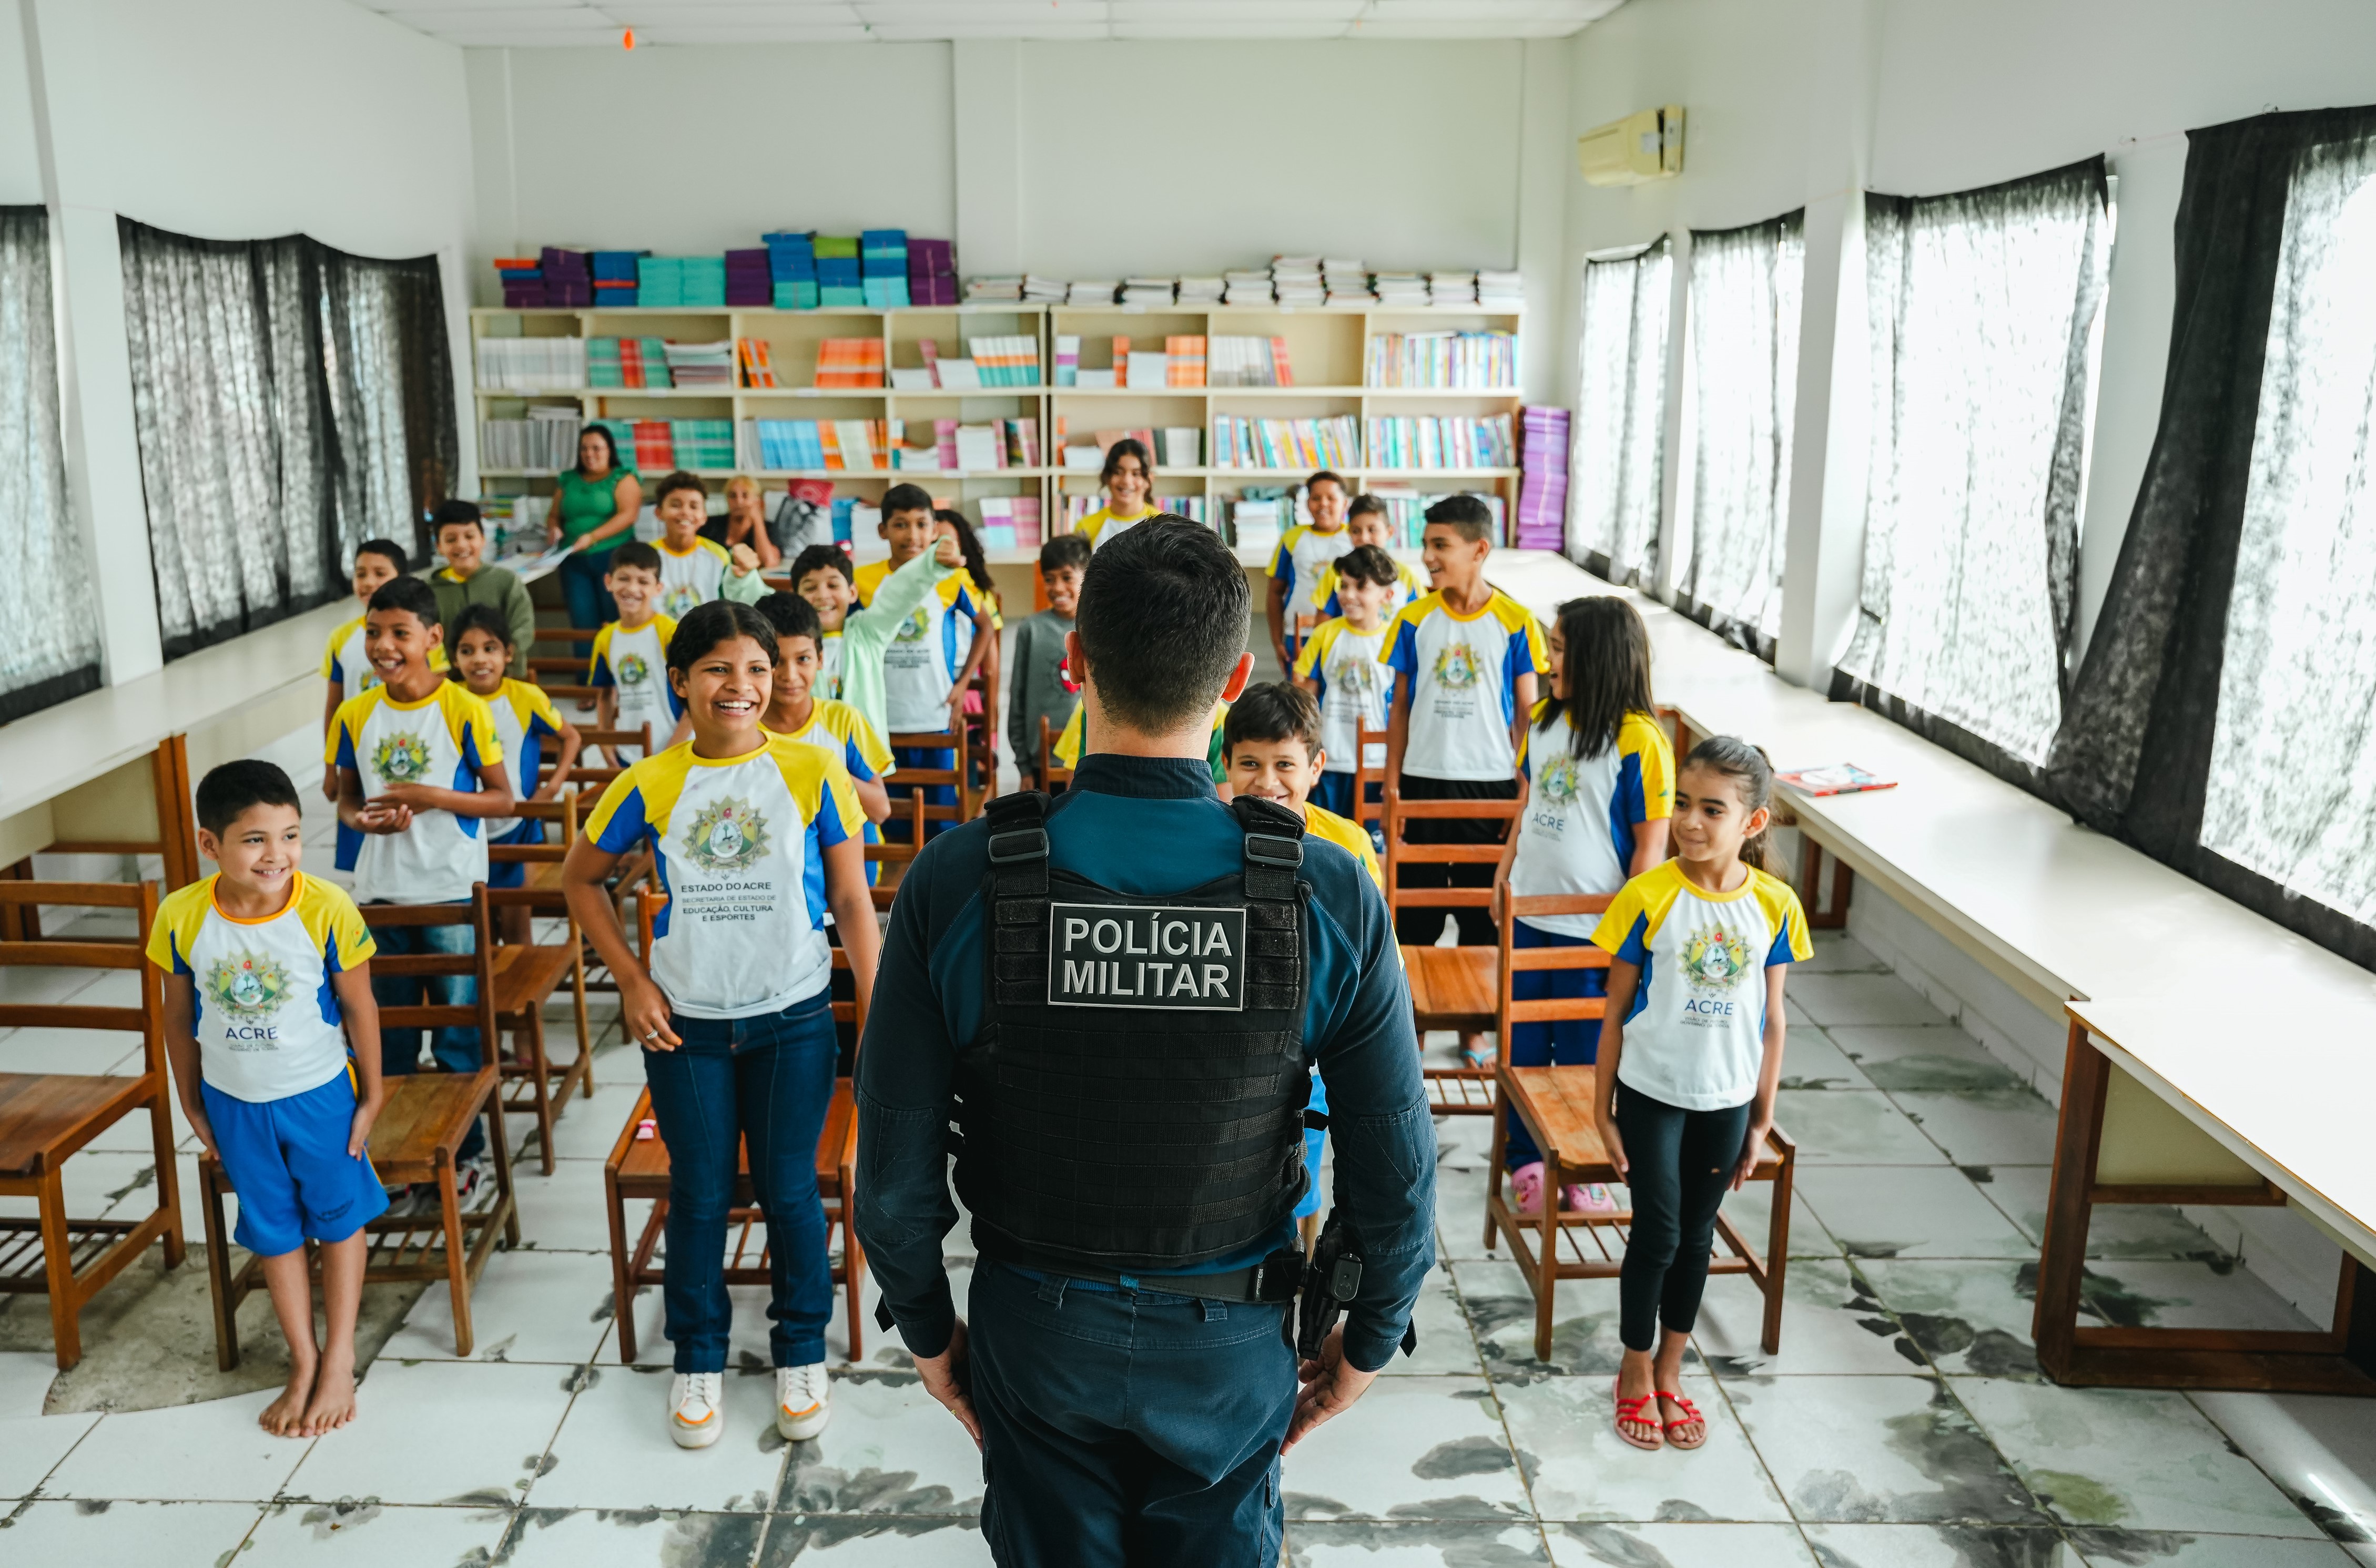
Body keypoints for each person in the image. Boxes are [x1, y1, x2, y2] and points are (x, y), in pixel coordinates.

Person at [854, 516, 1435, 1568]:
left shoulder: (961, 880)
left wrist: (933, 1341)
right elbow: (1396, 1178)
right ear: (1237, 676)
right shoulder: (1325, 889)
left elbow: (891, 1180)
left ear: (1071, 661)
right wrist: (1368, 1344)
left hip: (1036, 1331)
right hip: (1230, 1343)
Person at [563, 600, 879, 1451]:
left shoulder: (816, 769)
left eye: (755, 669)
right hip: (688, 1027)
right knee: (699, 1193)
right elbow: (581, 879)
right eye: (716, 669)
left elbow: (851, 898)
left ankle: (799, 1347)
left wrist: (877, 1006)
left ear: (775, 677)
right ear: (681, 682)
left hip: (794, 1020)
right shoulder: (650, 781)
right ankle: (697, 1355)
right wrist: (630, 980)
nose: (739, 687)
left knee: (788, 1191)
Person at [147, 759, 385, 1439]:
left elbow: (360, 1004)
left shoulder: (326, 905)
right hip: (234, 1104)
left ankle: (339, 1356)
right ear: (209, 844)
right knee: (274, 1229)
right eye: (254, 839)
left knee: (338, 1221)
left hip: (319, 1099)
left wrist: (371, 1095)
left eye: (289, 835)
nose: (276, 854)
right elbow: (175, 1016)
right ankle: (302, 1359)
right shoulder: (181, 914)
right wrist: (191, 1102)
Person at [1593, 735, 1803, 1452]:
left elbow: (1772, 1020)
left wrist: (1762, 1116)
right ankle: (1632, 1365)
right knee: (1656, 1231)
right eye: (1682, 803)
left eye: (1711, 809)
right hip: (1651, 1093)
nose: (1688, 821)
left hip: (1726, 1102)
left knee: (1694, 1237)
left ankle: (1670, 1369)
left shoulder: (1774, 906)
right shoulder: (1647, 895)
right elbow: (1615, 1010)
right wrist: (1601, 1108)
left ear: (1752, 822)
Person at [324, 575, 513, 1189]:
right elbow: (347, 803)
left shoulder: (464, 707)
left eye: (399, 633)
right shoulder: (355, 714)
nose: (384, 645)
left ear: (432, 638)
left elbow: (501, 799)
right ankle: (400, 1154)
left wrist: (429, 797)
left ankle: (467, 1155)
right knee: (390, 1037)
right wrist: (367, 822)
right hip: (379, 897)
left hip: (450, 893)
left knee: (459, 1032)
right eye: (373, 632)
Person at [1500, 596, 1672, 1218]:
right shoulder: (1544, 718)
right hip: (1529, 914)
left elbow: (1649, 851)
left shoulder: (1641, 740)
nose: (1549, 662)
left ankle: (1576, 1163)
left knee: (1580, 1054)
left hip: (1594, 930)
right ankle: (1524, 1161)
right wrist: (1504, 874)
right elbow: (1527, 809)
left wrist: (1630, 938)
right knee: (1521, 1047)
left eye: (1561, 649)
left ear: (1598, 657)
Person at [1219, 681, 1386, 1255]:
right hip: (1235, 1039)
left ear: (1316, 766)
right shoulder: (1213, 836)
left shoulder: (1350, 846)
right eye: (1249, 763)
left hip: (1315, 1039)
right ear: (1226, 764)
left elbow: (1372, 956)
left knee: (1305, 1171)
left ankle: (1302, 1273)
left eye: (1284, 764)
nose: (1266, 782)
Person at [1382, 495, 1542, 1063]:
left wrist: (1526, 787)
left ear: (1479, 550)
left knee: (1480, 910)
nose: (1427, 556)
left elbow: (1527, 713)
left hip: (1490, 785)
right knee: (1417, 913)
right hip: (1422, 780)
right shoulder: (1412, 618)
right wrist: (1391, 782)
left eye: (1440, 545)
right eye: (1426, 544)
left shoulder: (1516, 622)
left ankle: (1474, 1025)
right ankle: (1415, 1022)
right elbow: (1398, 707)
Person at [854, 486, 989, 840]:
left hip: (936, 713)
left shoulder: (951, 576)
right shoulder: (863, 581)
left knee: (942, 820)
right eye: (900, 525)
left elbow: (985, 626)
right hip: (881, 719)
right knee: (892, 818)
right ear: (883, 530)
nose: (911, 535)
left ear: (933, 530)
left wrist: (962, 685)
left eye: (920, 524)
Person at [446, 604, 581, 942]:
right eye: (467, 651)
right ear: (453, 659)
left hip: (518, 824)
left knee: (517, 925)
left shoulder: (526, 697)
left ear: (508, 654)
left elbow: (571, 737)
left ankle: (520, 996)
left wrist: (551, 789)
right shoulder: (449, 701)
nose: (479, 660)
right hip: (465, 829)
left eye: (490, 649)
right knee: (478, 926)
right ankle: (492, 993)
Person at [787, 534, 967, 744]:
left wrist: (931, 563)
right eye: (810, 588)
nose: (822, 596)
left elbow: (899, 592)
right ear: (795, 596)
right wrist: (742, 576)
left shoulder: (869, 632)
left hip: (866, 762)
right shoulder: (788, 641)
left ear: (853, 592)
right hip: (811, 762)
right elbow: (754, 597)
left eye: (833, 586)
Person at [754, 591, 894, 828]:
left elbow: (880, 810)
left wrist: (819, 767)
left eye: (803, 659)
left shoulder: (843, 720)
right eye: (776, 661)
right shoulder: (742, 726)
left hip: (854, 855)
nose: (790, 676)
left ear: (820, 659)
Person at [1293, 543, 1401, 824]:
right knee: (1325, 836)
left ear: (1387, 596)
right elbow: (1305, 696)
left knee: (1367, 843)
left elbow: (1403, 705)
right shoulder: (1325, 635)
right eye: (1343, 585)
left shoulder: (1394, 640)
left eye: (1361, 587)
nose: (1348, 595)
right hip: (1329, 760)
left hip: (1376, 763)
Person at [321, 539, 431, 800]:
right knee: (359, 814)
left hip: (407, 744)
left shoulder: (420, 634)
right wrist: (329, 769)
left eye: (380, 574)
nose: (369, 582)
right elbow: (334, 708)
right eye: (361, 574)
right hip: (360, 745)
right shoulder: (341, 638)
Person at [1008, 533, 1088, 788]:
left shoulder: (1101, 628)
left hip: (1089, 761)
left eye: (1067, 578)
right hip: (1040, 762)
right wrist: (1024, 768)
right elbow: (1017, 697)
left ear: (1087, 577)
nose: (1057, 588)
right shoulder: (1030, 629)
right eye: (1049, 580)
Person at [589, 541, 678, 765]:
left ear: (658, 588)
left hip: (676, 749)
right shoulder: (605, 639)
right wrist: (606, 745)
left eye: (643, 581)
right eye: (624, 578)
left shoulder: (670, 632)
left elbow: (694, 699)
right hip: (628, 753)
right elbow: (606, 696)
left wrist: (673, 751)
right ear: (608, 582)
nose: (632, 589)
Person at [425, 501, 536, 679]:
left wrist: (502, 658)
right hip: (453, 685)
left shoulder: (506, 581)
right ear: (439, 546)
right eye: (451, 540)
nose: (462, 545)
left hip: (506, 680)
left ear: (483, 539)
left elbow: (523, 628)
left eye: (469, 536)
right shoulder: (430, 591)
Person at [550, 424, 644, 634]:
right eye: (584, 449)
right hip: (574, 561)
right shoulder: (568, 479)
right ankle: (586, 668)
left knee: (615, 620)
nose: (589, 454)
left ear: (609, 450)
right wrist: (554, 529)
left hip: (612, 558)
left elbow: (628, 515)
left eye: (596, 448)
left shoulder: (623, 478)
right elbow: (555, 515)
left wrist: (592, 537)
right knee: (582, 624)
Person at [935, 506, 1004, 786]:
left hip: (965, 684)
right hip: (926, 682)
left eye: (949, 542)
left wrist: (992, 718)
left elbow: (992, 663)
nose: (941, 551)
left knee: (964, 773)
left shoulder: (976, 591)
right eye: (934, 543)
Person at [1265, 467, 1353, 670]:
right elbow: (1275, 592)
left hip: (1343, 630)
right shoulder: (1292, 538)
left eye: (1331, 498)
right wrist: (1277, 641)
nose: (1323, 504)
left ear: (1345, 503)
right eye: (1316, 498)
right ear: (1307, 503)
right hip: (1297, 633)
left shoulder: (1354, 537)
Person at [651, 471, 767, 620]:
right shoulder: (646, 556)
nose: (685, 512)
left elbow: (738, 601)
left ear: (704, 516)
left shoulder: (719, 556)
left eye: (694, 506)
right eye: (676, 505)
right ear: (659, 513)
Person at [1315, 494, 1428, 621]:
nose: (1364, 538)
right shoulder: (1336, 571)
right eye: (1356, 531)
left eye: (1372, 530)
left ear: (1389, 532)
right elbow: (1323, 623)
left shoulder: (1406, 575)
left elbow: (1421, 619)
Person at [1071, 436, 1156, 549]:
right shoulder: (1086, 527)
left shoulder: (1162, 525)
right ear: (1107, 477)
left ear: (1149, 479)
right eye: (1118, 472)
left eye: (1136, 474)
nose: (1126, 481)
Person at [701, 474, 781, 569]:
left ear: (757, 501)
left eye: (745, 496)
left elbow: (769, 561)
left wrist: (757, 519)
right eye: (733, 496)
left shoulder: (769, 528)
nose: (739, 501)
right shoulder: (710, 525)